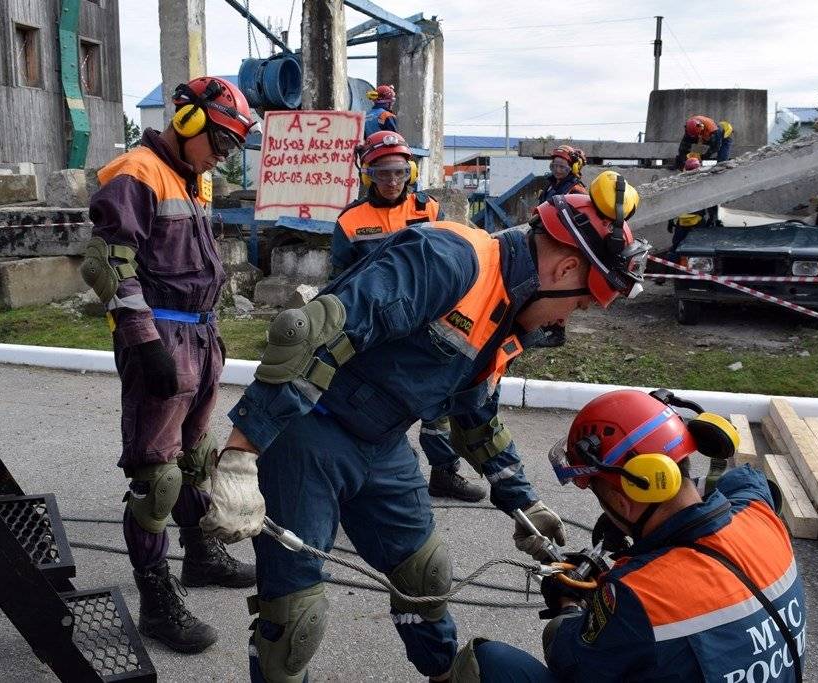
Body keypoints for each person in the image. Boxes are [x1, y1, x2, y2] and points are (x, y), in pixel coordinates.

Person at [217, 171, 651, 682]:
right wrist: (241, 455)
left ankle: (443, 674)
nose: (566, 322)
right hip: (307, 435)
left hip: (381, 443)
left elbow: (475, 415)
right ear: (566, 266)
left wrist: (523, 501)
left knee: (424, 575)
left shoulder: (505, 312)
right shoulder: (449, 260)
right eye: (578, 304)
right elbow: (307, 332)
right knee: (294, 618)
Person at [450, 389, 807, 683]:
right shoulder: (759, 513)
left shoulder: (639, 596)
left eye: (602, 497)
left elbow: (571, 661)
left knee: (486, 663)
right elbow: (747, 481)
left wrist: (569, 605)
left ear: (625, 499)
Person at [81, 76, 259, 654]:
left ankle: (201, 556)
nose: (225, 156)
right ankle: (155, 597)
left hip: (200, 338)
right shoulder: (137, 171)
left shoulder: (193, 178)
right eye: (222, 142)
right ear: (187, 123)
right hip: (160, 339)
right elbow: (109, 264)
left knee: (193, 456)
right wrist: (142, 341)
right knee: (156, 475)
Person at [331, 130, 486, 503]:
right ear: (367, 174)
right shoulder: (351, 221)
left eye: (399, 172)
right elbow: (341, 279)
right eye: (382, 173)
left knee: (438, 402)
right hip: (377, 327)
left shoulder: (428, 210)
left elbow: (454, 258)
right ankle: (376, 474)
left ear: (410, 173)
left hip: (428, 323)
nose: (391, 181)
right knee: (377, 403)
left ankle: (444, 473)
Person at [534, 145, 587, 348]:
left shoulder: (577, 190)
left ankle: (557, 333)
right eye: (554, 166)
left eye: (562, 167)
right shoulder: (549, 186)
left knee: (558, 289)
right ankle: (542, 327)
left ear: (573, 168)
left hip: (564, 248)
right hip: (546, 244)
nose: (557, 170)